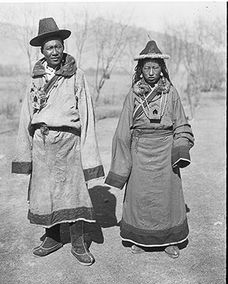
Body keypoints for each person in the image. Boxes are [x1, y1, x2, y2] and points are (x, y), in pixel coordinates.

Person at [12, 17, 104, 266]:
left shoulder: (77, 75)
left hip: (69, 145)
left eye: (58, 46)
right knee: (45, 194)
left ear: (64, 47)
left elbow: (86, 115)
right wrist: (25, 152)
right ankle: (52, 238)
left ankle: (78, 243)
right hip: (42, 145)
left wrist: (90, 156)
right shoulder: (35, 78)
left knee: (73, 193)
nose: (54, 51)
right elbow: (26, 115)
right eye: (49, 48)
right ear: (42, 51)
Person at [105, 40, 194, 258]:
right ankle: (140, 239)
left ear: (162, 69)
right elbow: (123, 130)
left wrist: (179, 149)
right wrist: (121, 166)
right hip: (140, 151)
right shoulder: (133, 94)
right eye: (147, 68)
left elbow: (181, 124)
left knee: (166, 197)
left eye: (155, 67)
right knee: (140, 196)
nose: (151, 72)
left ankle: (170, 240)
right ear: (141, 70)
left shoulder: (171, 93)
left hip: (165, 152)